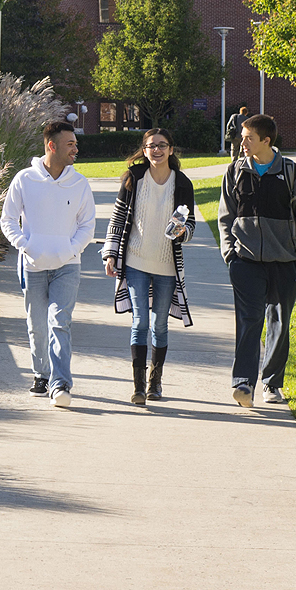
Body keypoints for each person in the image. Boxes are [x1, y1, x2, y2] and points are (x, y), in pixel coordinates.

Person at [216, 114, 296, 408]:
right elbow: (226, 216)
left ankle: (271, 383)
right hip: (245, 260)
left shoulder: (291, 173)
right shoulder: (235, 171)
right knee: (249, 321)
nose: (242, 142)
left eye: (248, 138)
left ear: (266, 141)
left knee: (279, 322)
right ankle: (243, 383)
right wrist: (229, 254)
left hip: (286, 262)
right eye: (242, 137)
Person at [0, 120, 96, 408]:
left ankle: (60, 383)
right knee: (37, 325)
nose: (76, 149)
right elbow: (7, 220)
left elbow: (87, 225)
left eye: (75, 144)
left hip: (68, 265)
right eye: (70, 144)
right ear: (51, 146)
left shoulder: (79, 183)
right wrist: (27, 246)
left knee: (60, 321)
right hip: (33, 265)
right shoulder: (24, 179)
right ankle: (41, 374)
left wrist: (71, 249)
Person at [101, 129, 196, 405]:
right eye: (151, 146)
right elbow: (118, 218)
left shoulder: (182, 184)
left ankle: (156, 382)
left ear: (171, 149)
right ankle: (139, 387)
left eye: (162, 145)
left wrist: (182, 233)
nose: (156, 150)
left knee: (160, 324)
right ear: (144, 150)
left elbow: (190, 225)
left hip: (167, 264)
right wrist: (110, 254)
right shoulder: (134, 179)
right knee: (140, 321)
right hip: (136, 261)